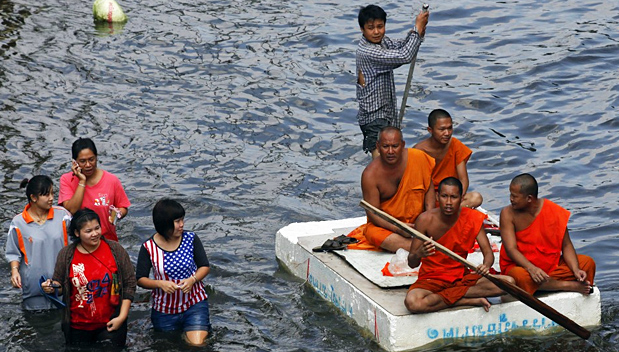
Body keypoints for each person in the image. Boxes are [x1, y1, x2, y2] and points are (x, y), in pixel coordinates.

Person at [405, 177, 514, 313]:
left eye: (454, 197)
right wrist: (418, 254)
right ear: (438, 197)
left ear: (462, 198)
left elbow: (488, 254)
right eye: (444, 196)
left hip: (460, 278)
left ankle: (451, 297)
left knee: (508, 283)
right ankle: (464, 300)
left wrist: (486, 266)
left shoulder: (472, 217)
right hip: (432, 279)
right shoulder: (425, 220)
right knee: (413, 303)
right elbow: (412, 263)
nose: (449, 202)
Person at [42, 208, 136, 348]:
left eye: (97, 228)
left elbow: (129, 284)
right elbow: (60, 285)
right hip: (77, 326)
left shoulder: (115, 250)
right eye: (88, 231)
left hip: (111, 322)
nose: (95, 234)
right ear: (77, 233)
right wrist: (50, 287)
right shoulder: (66, 255)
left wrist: (121, 317)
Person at [499, 173, 596, 295]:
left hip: (549, 266)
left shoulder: (553, 211)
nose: (511, 199)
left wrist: (576, 269)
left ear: (529, 198)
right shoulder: (507, 214)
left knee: (587, 263)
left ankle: (547, 285)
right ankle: (567, 285)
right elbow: (511, 249)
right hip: (523, 266)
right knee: (518, 276)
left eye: (514, 196)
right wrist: (531, 268)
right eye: (511, 195)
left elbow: (566, 245)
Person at [356, 4, 429, 158]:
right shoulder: (367, 51)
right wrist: (417, 29)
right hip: (374, 118)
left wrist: (418, 32)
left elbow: (402, 46)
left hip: (387, 114)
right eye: (371, 28)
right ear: (362, 30)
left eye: (380, 26)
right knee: (382, 165)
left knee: (393, 162)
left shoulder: (382, 42)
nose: (376, 32)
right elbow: (404, 56)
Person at [136, 199, 212, 346]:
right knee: (169, 346)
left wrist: (193, 280)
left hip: (194, 303)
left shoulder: (191, 239)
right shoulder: (148, 247)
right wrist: (159, 284)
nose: (182, 225)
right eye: (177, 221)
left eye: (182, 220)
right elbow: (140, 279)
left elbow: (204, 266)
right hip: (164, 310)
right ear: (165, 224)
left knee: (197, 344)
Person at [349, 126, 435, 252]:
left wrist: (428, 220)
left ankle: (421, 244)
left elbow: (429, 190)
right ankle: (420, 246)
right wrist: (398, 228)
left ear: (403, 145)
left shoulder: (418, 157)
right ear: (378, 146)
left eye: (395, 146)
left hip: (419, 221)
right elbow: (373, 214)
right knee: (373, 233)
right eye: (385, 146)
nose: (390, 151)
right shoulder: (370, 175)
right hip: (389, 226)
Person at [5, 176, 71, 310]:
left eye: (53, 193)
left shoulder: (63, 216)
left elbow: (75, 244)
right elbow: (13, 252)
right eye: (46, 195)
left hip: (62, 287)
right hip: (33, 290)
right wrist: (14, 272)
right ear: (33, 198)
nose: (52, 198)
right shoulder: (18, 223)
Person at [59, 137, 131, 242]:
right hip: (79, 242)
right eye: (82, 161)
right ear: (75, 162)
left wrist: (117, 214)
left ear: (96, 158)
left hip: (107, 240)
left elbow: (123, 207)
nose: (88, 165)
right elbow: (72, 210)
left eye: (91, 159)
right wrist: (82, 181)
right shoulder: (66, 180)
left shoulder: (112, 180)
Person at [414, 109, 483, 208]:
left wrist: (455, 199)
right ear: (430, 130)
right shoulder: (419, 151)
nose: (447, 133)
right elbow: (418, 185)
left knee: (476, 198)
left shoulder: (455, 145)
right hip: (428, 198)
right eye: (442, 129)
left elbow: (463, 180)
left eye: (450, 128)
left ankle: (446, 212)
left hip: (450, 196)